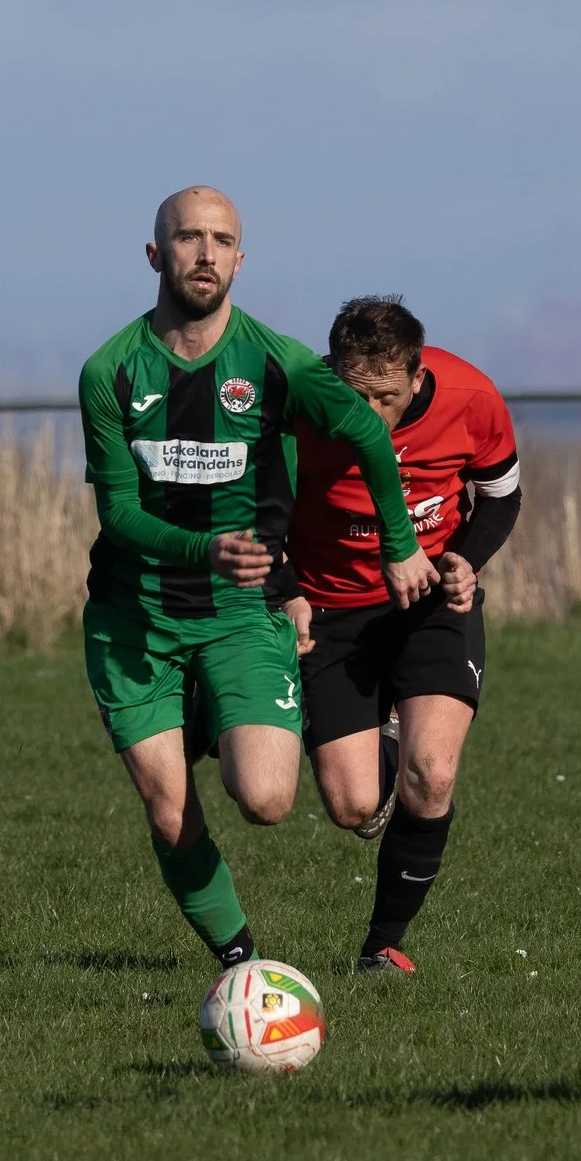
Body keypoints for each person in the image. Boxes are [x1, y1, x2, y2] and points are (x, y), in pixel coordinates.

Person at [77, 187, 436, 970]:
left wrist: (399, 545)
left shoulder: (277, 362)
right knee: (169, 807)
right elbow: (121, 515)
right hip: (132, 616)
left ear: (241, 259)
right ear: (155, 254)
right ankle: (242, 965)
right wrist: (205, 549)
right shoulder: (109, 369)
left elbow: (370, 436)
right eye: (187, 238)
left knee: (269, 801)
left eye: (221, 239)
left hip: (239, 612)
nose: (205, 252)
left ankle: (207, 701)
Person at [282, 296, 520, 975]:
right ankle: (380, 734)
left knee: (433, 773)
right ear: (331, 371)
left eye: (386, 397)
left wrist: (466, 561)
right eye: (355, 395)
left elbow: (502, 497)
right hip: (330, 613)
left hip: (431, 602)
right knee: (354, 804)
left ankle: (382, 947)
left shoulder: (472, 397)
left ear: (418, 378)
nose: (369, 416)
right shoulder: (296, 408)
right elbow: (259, 506)